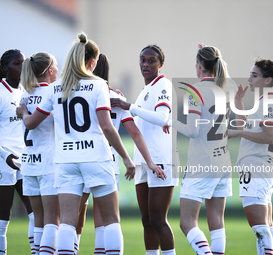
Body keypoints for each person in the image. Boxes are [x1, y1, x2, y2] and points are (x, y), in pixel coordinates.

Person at [16, 33, 134, 255]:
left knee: (67, 221)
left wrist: (23, 112)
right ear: (90, 62)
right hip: (96, 158)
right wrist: (126, 158)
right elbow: (107, 127)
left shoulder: (55, 88)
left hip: (65, 161)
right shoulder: (98, 85)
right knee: (111, 220)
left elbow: (31, 122)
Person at [163, 44, 236, 255]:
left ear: (198, 66)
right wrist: (216, 55)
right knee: (217, 222)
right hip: (223, 162)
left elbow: (192, 131)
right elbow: (228, 80)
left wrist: (170, 120)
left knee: (187, 223)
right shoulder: (226, 88)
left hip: (202, 163)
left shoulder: (195, 91)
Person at [92, 53, 166, 254]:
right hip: (109, 161)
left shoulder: (77, 93)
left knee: (72, 220)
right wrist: (149, 161)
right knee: (109, 217)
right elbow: (135, 132)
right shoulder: (116, 97)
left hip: (76, 157)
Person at [111, 45, 178, 255]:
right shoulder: (145, 91)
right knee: (147, 220)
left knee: (158, 219)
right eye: (142, 60)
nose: (146, 64)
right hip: (142, 161)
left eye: (151, 60)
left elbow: (162, 118)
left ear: (161, 63)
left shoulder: (163, 84)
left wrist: (128, 105)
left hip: (161, 159)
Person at [228, 58, 273, 255]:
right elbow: (242, 126)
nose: (250, 79)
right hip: (258, 166)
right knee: (266, 225)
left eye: (255, 75)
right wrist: (238, 101)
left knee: (259, 226)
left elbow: (267, 136)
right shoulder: (263, 102)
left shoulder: (269, 102)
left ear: (268, 80)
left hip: (256, 166)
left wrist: (237, 134)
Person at [0, 49, 34, 255]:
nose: (22, 68)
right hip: (2, 163)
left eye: (24, 63)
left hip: (23, 162)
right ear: (5, 68)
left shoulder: (24, 92)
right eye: (17, 64)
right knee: (2, 219)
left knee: (36, 215)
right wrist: (6, 156)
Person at [19, 52, 59, 255]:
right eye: (57, 67)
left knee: (38, 220)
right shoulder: (52, 93)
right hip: (48, 163)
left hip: (29, 164)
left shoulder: (24, 94)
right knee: (53, 220)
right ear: (50, 71)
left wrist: (23, 112)